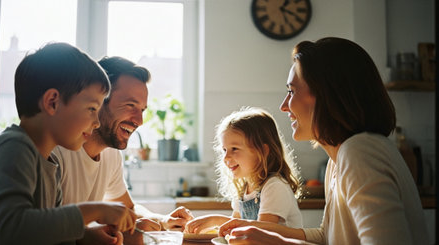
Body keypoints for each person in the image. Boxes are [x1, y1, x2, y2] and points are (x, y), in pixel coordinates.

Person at [218, 37, 429, 245]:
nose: (284, 106)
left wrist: (281, 243)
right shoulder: (336, 162)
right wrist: (270, 236)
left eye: (291, 91)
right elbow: (327, 237)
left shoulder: (360, 152)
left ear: (327, 95)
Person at [0, 42, 138, 245]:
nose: (96, 122)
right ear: (52, 102)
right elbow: (10, 229)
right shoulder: (14, 148)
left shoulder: (50, 163)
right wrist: (94, 210)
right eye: (92, 109)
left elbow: (45, 234)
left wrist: (86, 238)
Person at [52, 56, 193, 244]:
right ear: (99, 100)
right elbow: (36, 230)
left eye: (142, 109)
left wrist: (163, 220)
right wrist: (84, 239)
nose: (139, 120)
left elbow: (127, 209)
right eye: (130, 105)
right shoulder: (56, 151)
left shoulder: (111, 154)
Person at [185, 107, 303, 234]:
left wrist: (216, 220)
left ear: (262, 151)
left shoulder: (274, 187)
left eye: (234, 148)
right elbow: (235, 230)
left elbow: (260, 234)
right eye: (224, 150)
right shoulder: (242, 191)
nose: (226, 158)